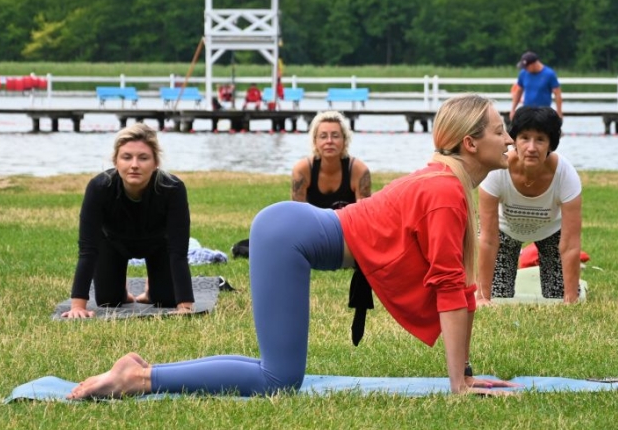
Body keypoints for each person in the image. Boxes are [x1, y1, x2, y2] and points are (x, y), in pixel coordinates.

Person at [67, 94, 518, 398]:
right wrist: (459, 382)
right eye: (501, 131)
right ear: (470, 142)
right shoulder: (443, 191)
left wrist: (464, 373)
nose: (510, 139)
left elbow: (453, 288)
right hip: (289, 236)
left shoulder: (444, 182)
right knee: (278, 379)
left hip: (291, 231)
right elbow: (448, 287)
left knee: (275, 367)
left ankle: (140, 368)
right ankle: (140, 378)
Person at [61, 124, 195, 318]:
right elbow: (88, 249)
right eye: (126, 157)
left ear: (155, 162)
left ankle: (151, 288)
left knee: (164, 300)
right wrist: (77, 306)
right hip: (112, 244)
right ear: (116, 161)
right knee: (109, 301)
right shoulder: (99, 187)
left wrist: (185, 306)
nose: (134, 165)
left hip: (159, 245)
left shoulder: (172, 188)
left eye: (143, 158)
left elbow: (178, 251)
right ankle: (121, 287)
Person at [477, 106, 582, 305]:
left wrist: (571, 299)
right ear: (514, 140)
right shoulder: (496, 172)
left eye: (540, 139)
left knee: (557, 297)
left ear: (551, 143)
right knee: (499, 296)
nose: (531, 147)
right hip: (504, 231)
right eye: (525, 138)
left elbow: (570, 245)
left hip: (551, 232)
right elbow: (488, 240)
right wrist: (482, 297)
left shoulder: (566, 175)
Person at [291, 110, 371, 208]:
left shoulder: (359, 171)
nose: (329, 141)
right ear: (315, 141)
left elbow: (365, 215)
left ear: (345, 140)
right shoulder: (302, 170)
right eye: (323, 136)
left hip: (346, 223)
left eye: (335, 136)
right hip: (313, 223)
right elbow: (298, 214)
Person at [510, 51, 562, 121]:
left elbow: (557, 94)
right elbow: (519, 91)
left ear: (533, 64)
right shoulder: (523, 73)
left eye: (526, 67)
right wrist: (513, 109)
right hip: (527, 112)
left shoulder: (549, 74)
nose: (525, 69)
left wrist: (559, 112)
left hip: (543, 113)